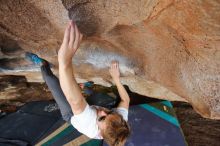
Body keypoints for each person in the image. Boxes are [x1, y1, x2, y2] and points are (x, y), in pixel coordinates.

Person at [26, 21, 131, 146]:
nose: (104, 112)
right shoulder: (119, 122)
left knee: (54, 83)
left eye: (102, 118)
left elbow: (75, 101)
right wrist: (116, 79)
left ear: (100, 133)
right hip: (88, 108)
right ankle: (87, 89)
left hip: (70, 114)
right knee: (95, 98)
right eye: (110, 112)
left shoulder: (89, 125)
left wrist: (64, 61)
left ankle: (43, 65)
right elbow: (125, 100)